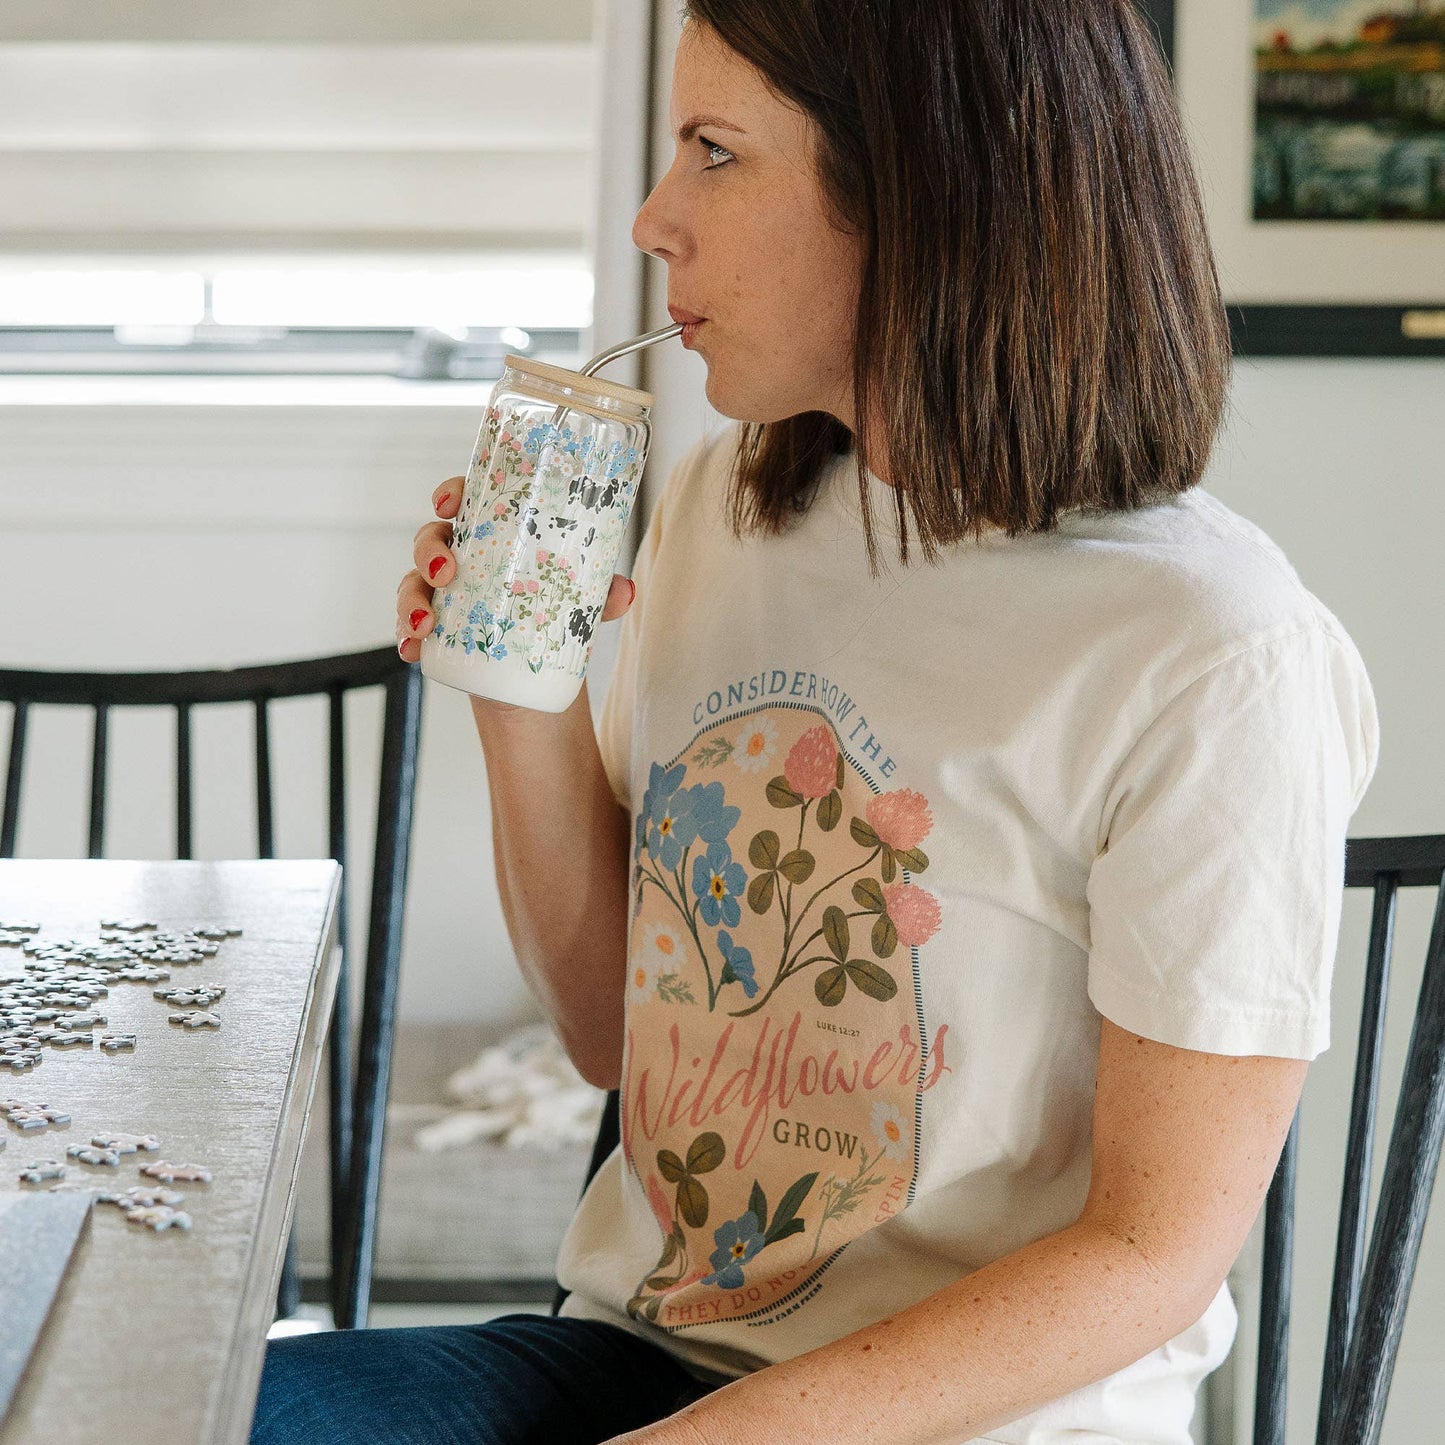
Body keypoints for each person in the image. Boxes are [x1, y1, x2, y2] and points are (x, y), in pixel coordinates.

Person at [252, 2, 1380, 1442]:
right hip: (642, 1356)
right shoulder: (728, 508)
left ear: (929, 197)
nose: (658, 221)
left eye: (715, 154)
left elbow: (1148, 1254)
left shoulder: (1215, 655)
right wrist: (518, 697)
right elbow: (612, 1034)